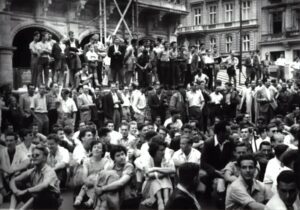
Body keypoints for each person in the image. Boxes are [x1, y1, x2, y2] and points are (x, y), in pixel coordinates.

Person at [9, 144, 61, 209]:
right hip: (37, 199)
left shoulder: (49, 171)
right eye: (33, 155)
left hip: (51, 201)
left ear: (44, 158)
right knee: (18, 184)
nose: (34, 157)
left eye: (37, 155)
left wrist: (25, 191)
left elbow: (44, 185)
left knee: (42, 191)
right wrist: (16, 191)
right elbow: (13, 180)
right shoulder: (32, 171)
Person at [95, 145, 137, 210]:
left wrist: (102, 189)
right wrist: (98, 188)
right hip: (114, 192)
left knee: (106, 196)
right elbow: (99, 176)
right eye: (118, 155)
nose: (122, 157)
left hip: (127, 195)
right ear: (113, 158)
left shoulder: (128, 166)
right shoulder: (112, 167)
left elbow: (121, 183)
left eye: (122, 154)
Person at [74, 141, 112, 208]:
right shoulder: (87, 161)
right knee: (84, 186)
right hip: (88, 182)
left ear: (103, 151)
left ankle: (90, 202)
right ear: (91, 150)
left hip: (99, 182)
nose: (96, 149)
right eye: (94, 147)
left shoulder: (106, 161)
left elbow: (103, 173)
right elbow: (84, 175)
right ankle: (78, 200)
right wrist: (88, 181)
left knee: (97, 188)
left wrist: (95, 182)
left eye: (99, 148)